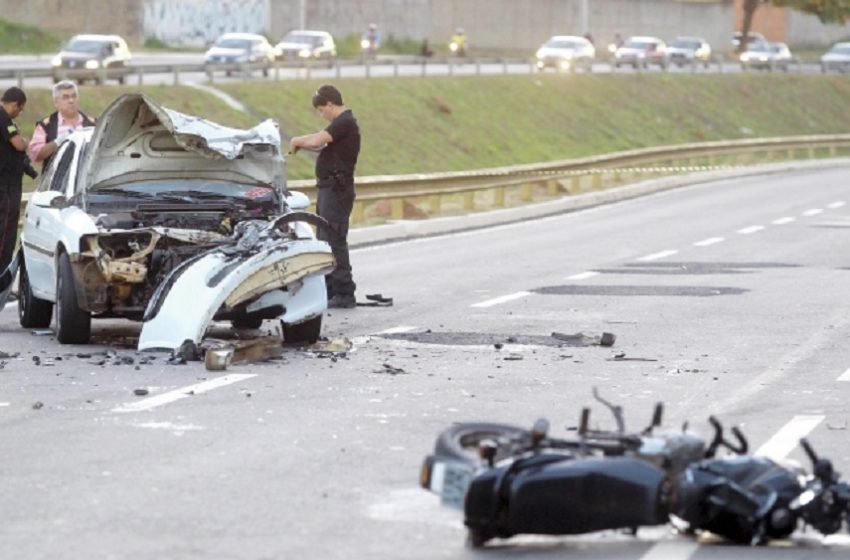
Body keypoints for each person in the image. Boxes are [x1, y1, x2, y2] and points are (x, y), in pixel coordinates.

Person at [290, 85, 360, 309]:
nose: (322, 114)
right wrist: (305, 144)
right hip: (329, 189)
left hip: (337, 191)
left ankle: (344, 292)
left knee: (334, 239)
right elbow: (322, 146)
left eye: (322, 110)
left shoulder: (345, 122)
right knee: (324, 240)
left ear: (330, 104)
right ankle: (329, 289)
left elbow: (317, 140)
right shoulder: (339, 126)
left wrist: (297, 140)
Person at [28, 80, 95, 170]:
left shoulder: (93, 124)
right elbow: (35, 154)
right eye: (65, 97)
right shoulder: (46, 126)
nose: (71, 101)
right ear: (56, 102)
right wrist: (57, 142)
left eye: (74, 96)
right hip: (58, 180)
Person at [0, 87, 29, 272]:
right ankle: (2, 277)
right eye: (20, 109)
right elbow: (18, 144)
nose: (19, 113)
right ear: (14, 104)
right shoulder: (4, 118)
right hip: (7, 186)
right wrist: (25, 141)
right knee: (6, 232)